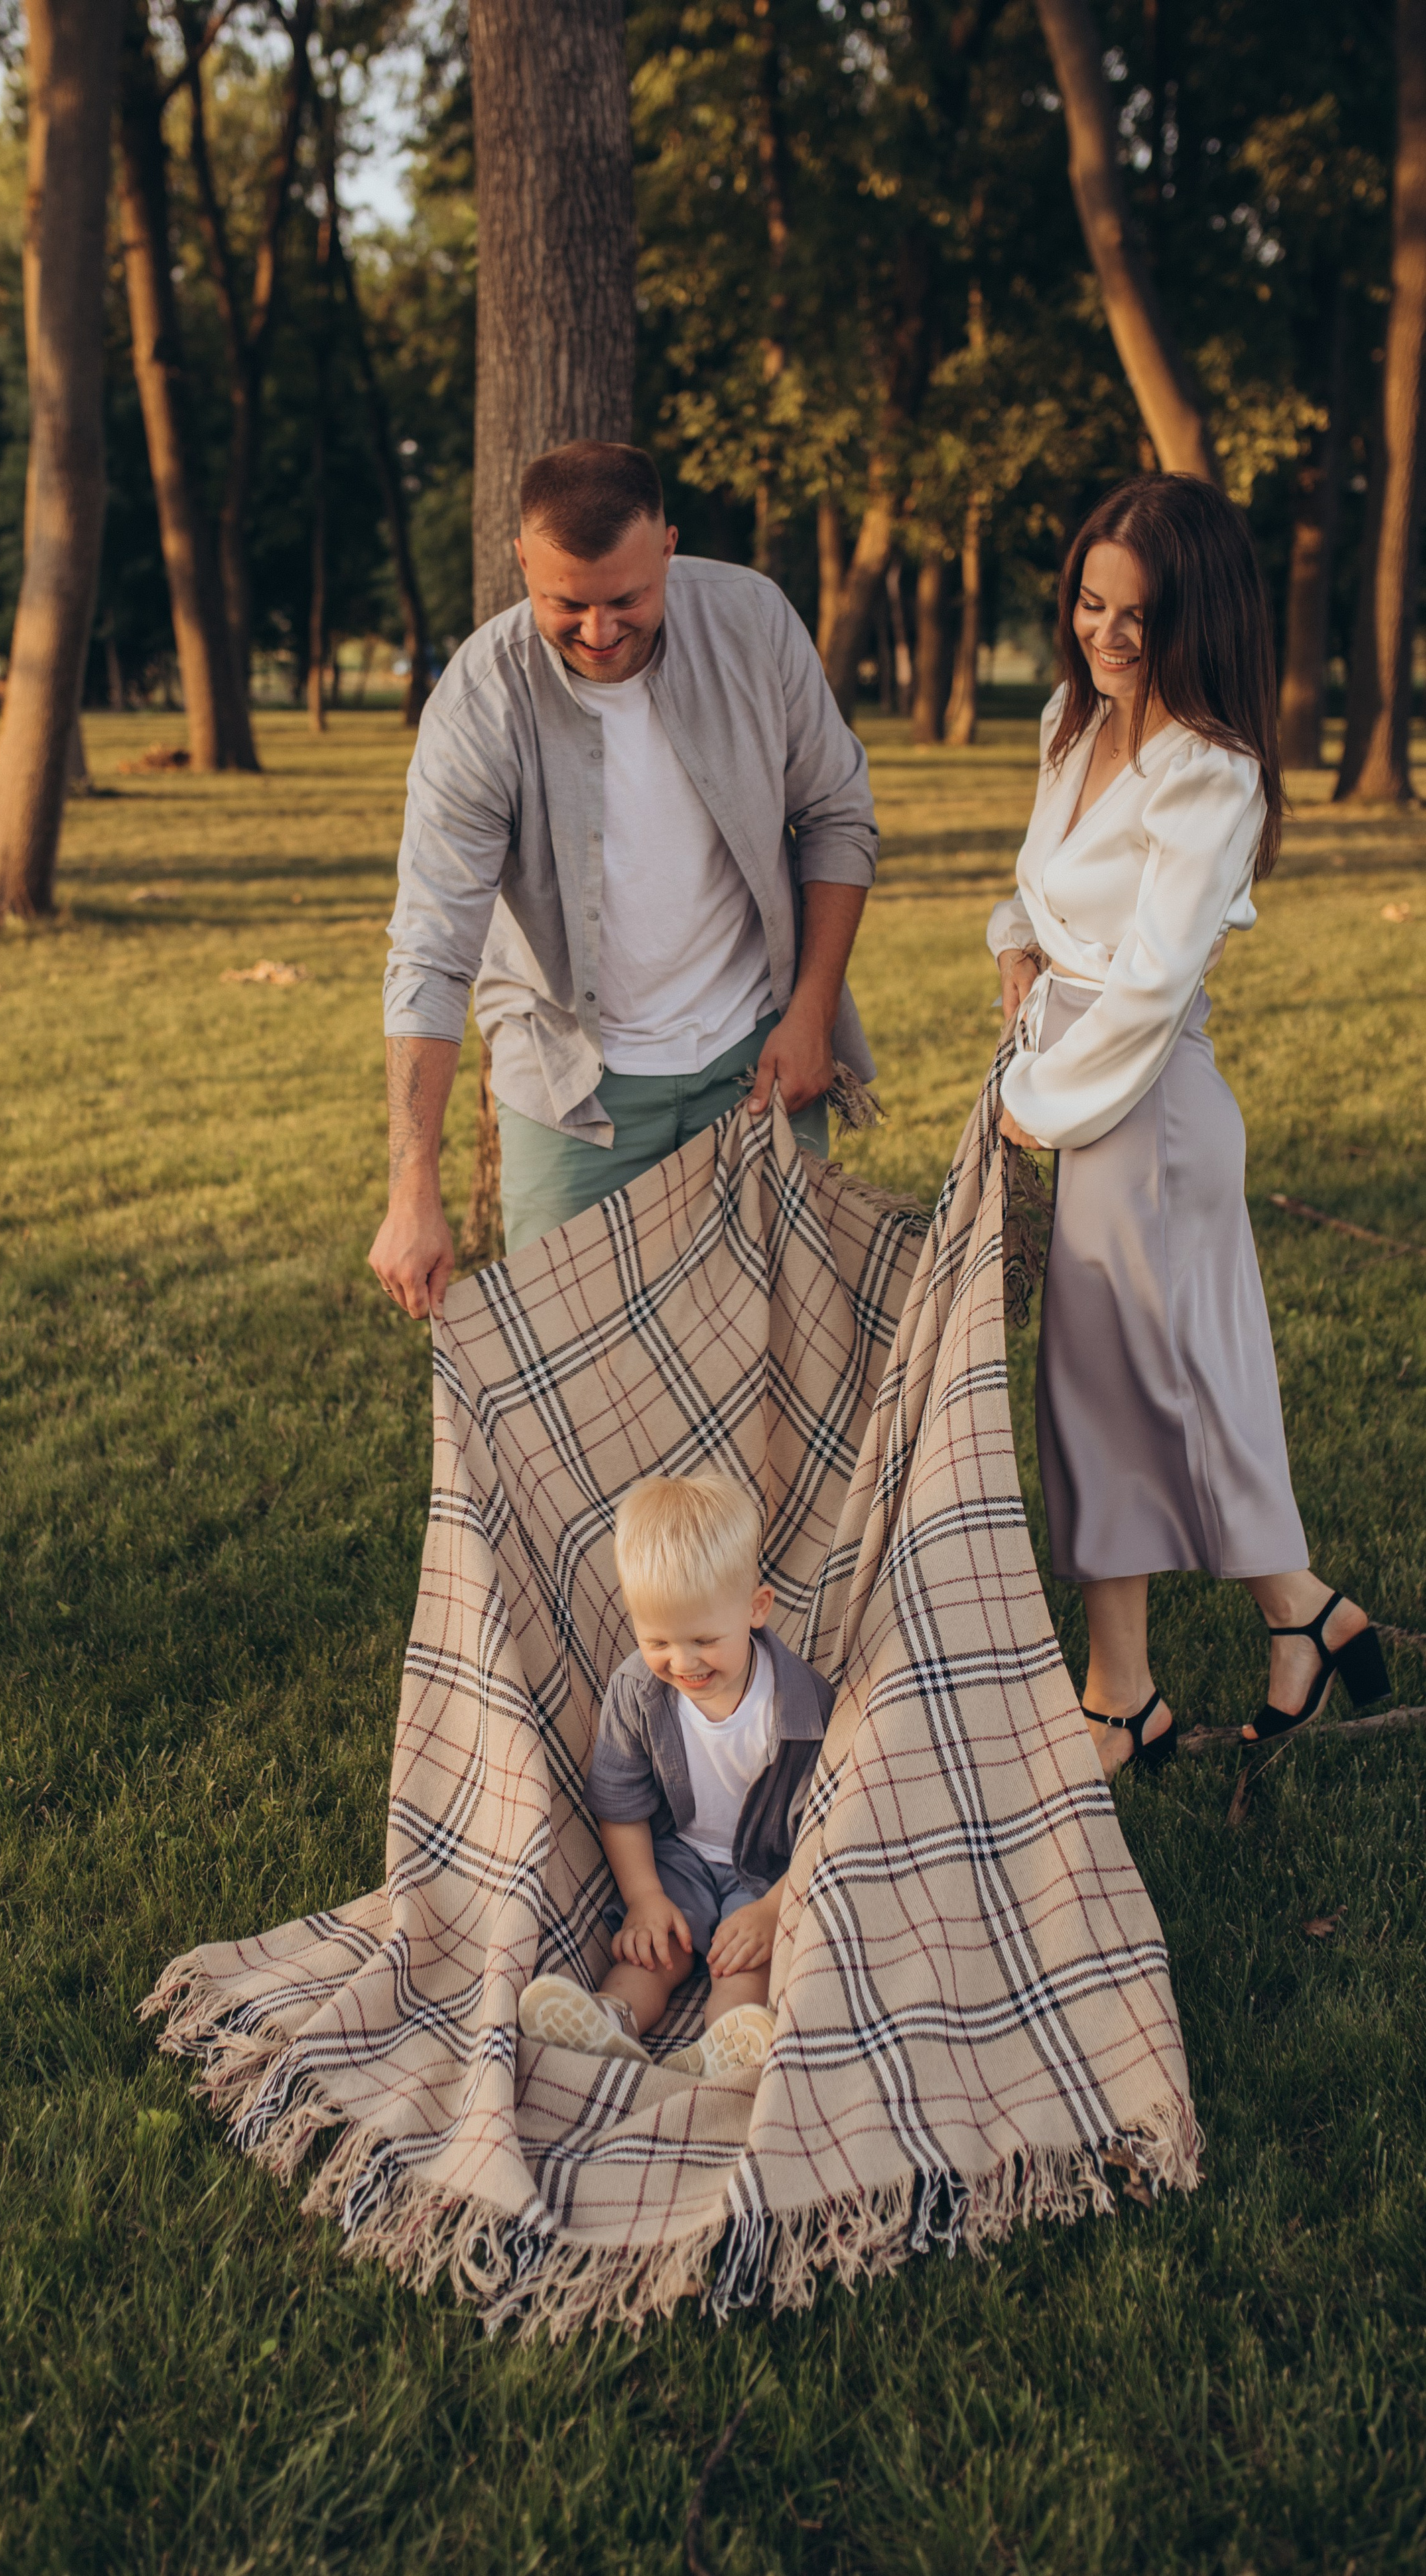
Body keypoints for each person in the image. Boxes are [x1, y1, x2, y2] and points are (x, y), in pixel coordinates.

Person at [988, 474, 1390, 1779]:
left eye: (1136, 616)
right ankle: (1284, 1621)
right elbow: (1037, 880)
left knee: (1133, 1388)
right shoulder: (1069, 716)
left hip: (1141, 1106)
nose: (1104, 635)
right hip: (1071, 1074)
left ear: (1195, 618)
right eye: (1088, 603)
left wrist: (1032, 1101)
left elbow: (1152, 987)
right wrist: (1015, 952)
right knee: (1124, 1386)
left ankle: (1131, 1694)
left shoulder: (1208, 772)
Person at [370, 440, 879, 1313]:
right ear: (522, 560)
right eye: (566, 603)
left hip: (754, 1063)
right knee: (581, 1400)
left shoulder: (753, 622)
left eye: (628, 599)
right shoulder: (479, 703)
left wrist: (812, 1012)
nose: (600, 633)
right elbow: (431, 952)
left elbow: (837, 817)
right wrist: (412, 1185)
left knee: (784, 1372)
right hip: (571, 1094)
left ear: (669, 547)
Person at [517, 1473, 832, 2078]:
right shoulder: (637, 1692)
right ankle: (610, 2021)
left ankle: (729, 2043)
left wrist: (770, 1911)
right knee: (651, 1950)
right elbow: (620, 1804)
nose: (682, 1663)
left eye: (704, 1640)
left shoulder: (802, 1705)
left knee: (744, 1964)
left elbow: (825, 1823)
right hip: (677, 1858)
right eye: (657, 1638)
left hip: (766, 1870)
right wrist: (645, 1898)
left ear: (756, 1609)